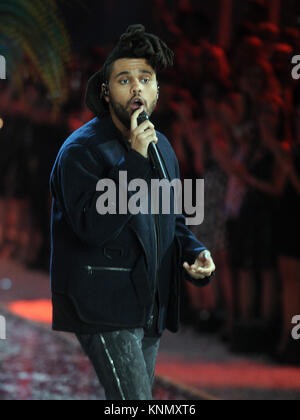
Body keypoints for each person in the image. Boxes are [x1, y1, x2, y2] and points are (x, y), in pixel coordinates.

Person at [49, 24, 215, 401]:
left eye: (145, 78)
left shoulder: (162, 146)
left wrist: (194, 251)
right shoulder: (81, 151)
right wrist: (135, 161)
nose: (136, 87)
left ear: (157, 90)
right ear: (106, 93)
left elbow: (170, 217)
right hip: (103, 304)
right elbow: (91, 225)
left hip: (147, 303)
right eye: (124, 80)